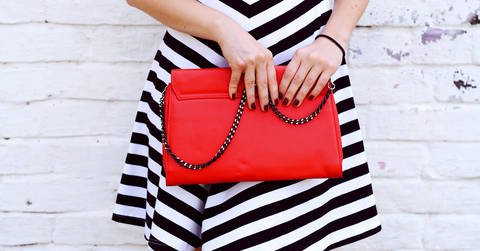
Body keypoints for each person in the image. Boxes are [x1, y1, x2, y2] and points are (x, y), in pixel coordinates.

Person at [113, 0, 381, 250]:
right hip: (198, 73)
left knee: (291, 234)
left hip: (304, 75)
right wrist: (223, 28)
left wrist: (335, 38)